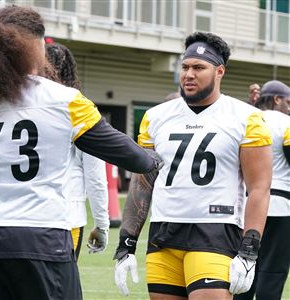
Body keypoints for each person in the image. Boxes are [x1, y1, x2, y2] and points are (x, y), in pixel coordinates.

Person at [0, 10, 162, 300]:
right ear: (35, 47)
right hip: (40, 235)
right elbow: (131, 156)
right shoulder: (63, 99)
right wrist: (153, 159)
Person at [113, 32, 273, 300]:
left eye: (199, 68)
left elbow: (259, 188)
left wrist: (249, 250)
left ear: (219, 71)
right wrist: (126, 242)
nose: (188, 74)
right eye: (185, 67)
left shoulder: (247, 118)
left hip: (215, 231)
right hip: (163, 232)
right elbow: (143, 182)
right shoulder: (155, 117)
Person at [45, 42, 109, 259]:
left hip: (13, 220)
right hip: (64, 218)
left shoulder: (10, 105)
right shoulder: (78, 109)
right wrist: (102, 224)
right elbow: (95, 176)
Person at [234, 80, 290, 300]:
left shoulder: (246, 119)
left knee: (244, 269)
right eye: (288, 101)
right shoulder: (286, 122)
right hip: (281, 205)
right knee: (272, 273)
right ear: (276, 99)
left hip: (247, 207)